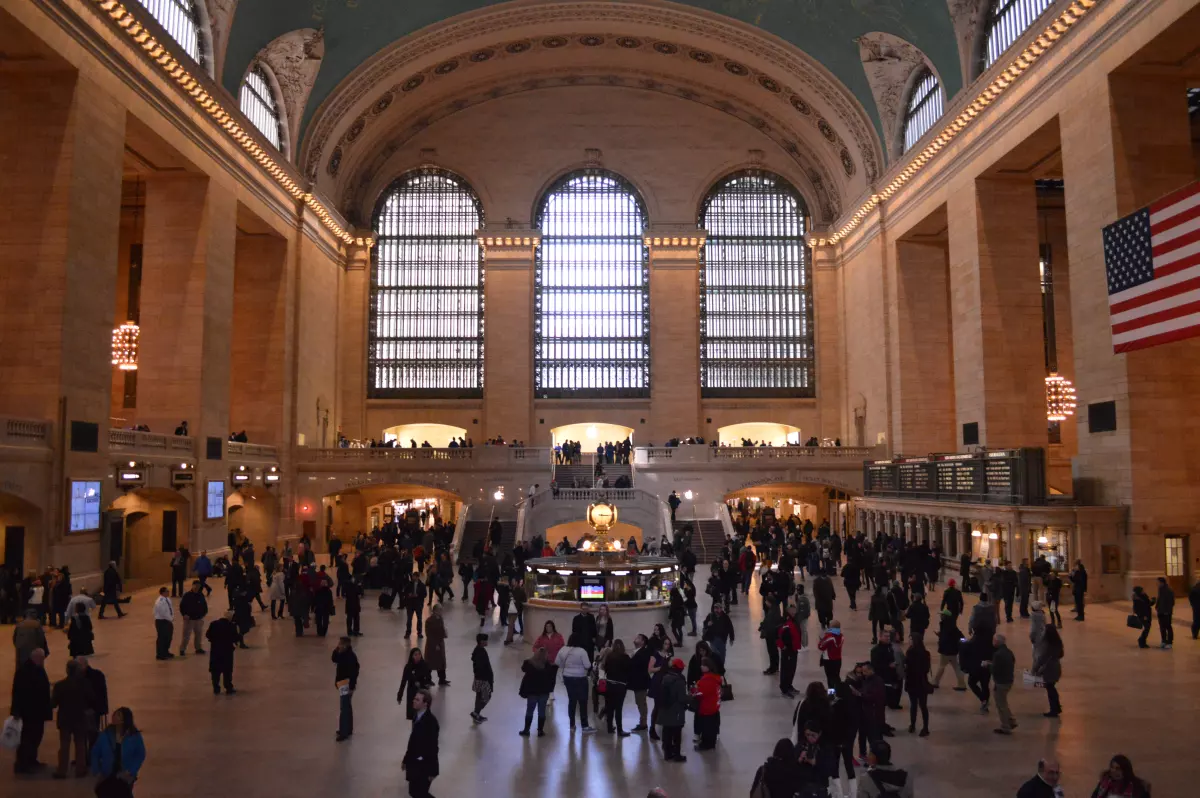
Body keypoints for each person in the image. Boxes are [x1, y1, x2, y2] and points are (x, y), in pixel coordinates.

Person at [11, 648, 52, 774]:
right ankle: (23, 764)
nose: (43, 661)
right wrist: (16, 711)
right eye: (42, 659)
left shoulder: (33, 669)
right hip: (30, 711)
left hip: (35, 711)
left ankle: (31, 760)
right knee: (28, 738)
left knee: (35, 736)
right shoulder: (25, 671)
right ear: (37, 658)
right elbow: (17, 692)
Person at [51, 659, 94, 779]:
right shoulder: (86, 684)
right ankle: (80, 769)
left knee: (64, 745)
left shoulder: (60, 686)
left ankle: (62, 770)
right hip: (80, 718)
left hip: (65, 719)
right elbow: (92, 699)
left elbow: (53, 703)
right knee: (80, 745)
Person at [89, 707, 145, 792]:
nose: (114, 716)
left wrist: (131, 771)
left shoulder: (134, 736)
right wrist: (96, 771)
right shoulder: (106, 735)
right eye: (115, 714)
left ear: (124, 719)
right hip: (107, 775)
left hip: (125, 775)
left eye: (118, 715)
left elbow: (140, 754)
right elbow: (95, 753)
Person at [402, 689, 440, 798]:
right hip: (415, 763)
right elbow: (413, 741)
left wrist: (433, 771)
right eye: (414, 698)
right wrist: (406, 759)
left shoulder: (431, 723)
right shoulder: (416, 717)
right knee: (413, 792)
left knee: (420, 793)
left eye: (417, 700)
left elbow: (433, 747)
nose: (413, 701)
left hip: (425, 766)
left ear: (425, 704)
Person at [556, 632, 595, 731]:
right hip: (581, 678)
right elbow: (587, 665)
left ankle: (572, 725)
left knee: (572, 701)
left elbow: (557, 662)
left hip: (567, 677)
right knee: (582, 702)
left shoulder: (563, 649)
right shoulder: (582, 651)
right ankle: (584, 725)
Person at [518, 646, 554, 737]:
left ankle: (526, 730)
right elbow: (551, 678)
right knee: (541, 712)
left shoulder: (528, 663)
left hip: (532, 692)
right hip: (544, 692)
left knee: (530, 711)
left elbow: (523, 669)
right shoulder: (548, 666)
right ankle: (540, 731)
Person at [658, 657, 688, 762]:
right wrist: (692, 697)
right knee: (676, 734)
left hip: (665, 710)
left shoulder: (665, 677)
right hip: (676, 711)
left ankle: (667, 753)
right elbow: (682, 698)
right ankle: (677, 755)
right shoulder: (679, 681)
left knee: (667, 732)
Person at [1031, 624, 1063, 718]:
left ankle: (1054, 710)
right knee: (1051, 688)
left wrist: (1034, 669)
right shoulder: (1057, 643)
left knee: (1050, 689)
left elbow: (1041, 659)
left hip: (1049, 669)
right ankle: (1056, 707)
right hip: (1056, 667)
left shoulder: (1047, 645)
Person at [691, 656, 722, 751]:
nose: (701, 666)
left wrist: (693, 690)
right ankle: (711, 743)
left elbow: (700, 694)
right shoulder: (716, 678)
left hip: (706, 707)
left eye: (703, 665)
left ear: (708, 667)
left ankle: (705, 745)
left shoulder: (706, 680)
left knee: (706, 728)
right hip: (714, 706)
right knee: (712, 727)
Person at [205, 609, 239, 695]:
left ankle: (216, 688)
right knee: (227, 670)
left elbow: (208, 635)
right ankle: (228, 687)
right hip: (227, 651)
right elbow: (235, 638)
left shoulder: (214, 624)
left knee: (215, 670)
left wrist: (213, 640)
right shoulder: (231, 626)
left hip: (215, 650)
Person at [333, 636, 360, 742]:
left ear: (345, 645)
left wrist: (352, 686)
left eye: (340, 644)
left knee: (344, 708)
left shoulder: (350, 657)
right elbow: (334, 658)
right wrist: (336, 649)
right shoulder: (342, 654)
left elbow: (354, 672)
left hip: (346, 684)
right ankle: (348, 728)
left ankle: (344, 732)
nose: (339, 645)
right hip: (341, 683)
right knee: (347, 706)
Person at [903, 638, 931, 737]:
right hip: (922, 682)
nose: (909, 641)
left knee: (913, 705)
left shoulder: (909, 653)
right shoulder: (926, 653)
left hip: (912, 682)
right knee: (923, 706)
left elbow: (906, 667)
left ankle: (913, 725)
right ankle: (925, 727)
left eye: (911, 639)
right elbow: (927, 669)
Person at [931, 609, 966, 690]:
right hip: (953, 651)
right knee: (956, 667)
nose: (940, 616)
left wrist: (940, 636)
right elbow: (961, 637)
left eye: (942, 615)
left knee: (941, 666)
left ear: (945, 616)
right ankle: (962, 684)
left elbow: (945, 638)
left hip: (945, 651)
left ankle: (935, 682)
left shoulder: (944, 625)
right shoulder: (953, 626)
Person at [990, 633, 1017, 735]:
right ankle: (1011, 720)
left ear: (996, 642)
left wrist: (988, 666)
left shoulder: (997, 654)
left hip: (1001, 682)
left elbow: (995, 670)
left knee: (1001, 705)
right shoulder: (1008, 652)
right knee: (1004, 703)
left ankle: (1005, 726)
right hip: (1009, 679)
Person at [398, 647, 433, 721]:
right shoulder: (408, 667)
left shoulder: (425, 665)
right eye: (415, 655)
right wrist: (399, 695)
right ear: (412, 656)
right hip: (412, 693)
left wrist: (425, 683)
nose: (418, 656)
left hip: (422, 693)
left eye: (419, 654)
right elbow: (403, 682)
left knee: (422, 716)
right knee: (414, 715)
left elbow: (429, 678)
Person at [534, 621, 565, 702]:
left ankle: (551, 691)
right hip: (545, 661)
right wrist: (539, 652)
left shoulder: (558, 636)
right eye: (547, 626)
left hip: (555, 661)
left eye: (550, 626)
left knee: (552, 677)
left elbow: (562, 647)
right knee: (545, 677)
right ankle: (545, 693)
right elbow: (535, 647)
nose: (548, 628)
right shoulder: (541, 637)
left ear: (553, 627)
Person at [628, 634, 653, 731]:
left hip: (641, 682)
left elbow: (636, 666)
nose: (635, 639)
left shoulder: (643, 653)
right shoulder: (637, 652)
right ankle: (643, 722)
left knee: (641, 702)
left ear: (643, 642)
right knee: (640, 702)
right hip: (637, 682)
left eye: (638, 638)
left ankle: (643, 723)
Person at [776, 606, 801, 697]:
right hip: (788, 651)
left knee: (792, 669)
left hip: (794, 649)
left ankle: (789, 685)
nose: (794, 612)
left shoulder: (794, 621)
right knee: (786, 669)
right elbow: (779, 635)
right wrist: (782, 646)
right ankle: (784, 688)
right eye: (792, 611)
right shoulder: (785, 623)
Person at [178, 580, 207, 656]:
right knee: (186, 635)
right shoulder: (187, 595)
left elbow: (204, 605)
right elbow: (182, 606)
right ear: (192, 586)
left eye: (198, 586)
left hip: (198, 619)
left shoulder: (201, 595)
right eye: (196, 586)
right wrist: (184, 614)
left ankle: (198, 648)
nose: (197, 588)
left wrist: (203, 614)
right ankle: (182, 649)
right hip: (189, 619)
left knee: (198, 635)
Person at [470, 633, 493, 724]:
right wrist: (487, 678)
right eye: (486, 640)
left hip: (479, 678)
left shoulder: (478, 650)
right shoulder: (480, 652)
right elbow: (482, 667)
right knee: (486, 696)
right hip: (483, 678)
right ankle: (476, 712)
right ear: (482, 641)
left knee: (479, 696)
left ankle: (477, 714)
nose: (487, 642)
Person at [424, 604, 449, 685]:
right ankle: (428, 679)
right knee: (430, 663)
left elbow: (441, 629)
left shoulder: (440, 619)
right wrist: (435, 644)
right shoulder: (429, 621)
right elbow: (429, 634)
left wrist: (444, 633)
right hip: (433, 645)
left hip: (440, 643)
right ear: (435, 611)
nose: (441, 611)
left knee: (441, 662)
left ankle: (442, 679)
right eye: (440, 609)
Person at [818, 620, 845, 689]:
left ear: (831, 626)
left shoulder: (829, 636)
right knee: (836, 677)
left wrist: (821, 639)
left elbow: (821, 646)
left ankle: (831, 694)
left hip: (829, 660)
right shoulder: (841, 636)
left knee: (830, 678)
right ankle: (839, 692)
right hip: (838, 659)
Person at [152, 587, 174, 661]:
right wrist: (170, 619)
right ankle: (160, 654)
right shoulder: (160, 601)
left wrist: (171, 617)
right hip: (162, 621)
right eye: (167, 591)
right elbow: (163, 613)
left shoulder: (167, 599)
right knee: (162, 638)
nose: (168, 592)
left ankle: (165, 651)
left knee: (168, 637)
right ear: (163, 592)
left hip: (167, 620)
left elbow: (170, 609)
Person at [1154, 576, 1174, 649]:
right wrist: (1157, 606)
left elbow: (1171, 602)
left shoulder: (1168, 590)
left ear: (1161, 583)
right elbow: (1159, 599)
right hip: (1160, 611)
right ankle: (1163, 641)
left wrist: (1167, 611)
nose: (1156, 584)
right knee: (1162, 627)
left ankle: (1169, 642)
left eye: (1157, 582)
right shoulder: (1160, 589)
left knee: (1168, 626)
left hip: (1166, 612)